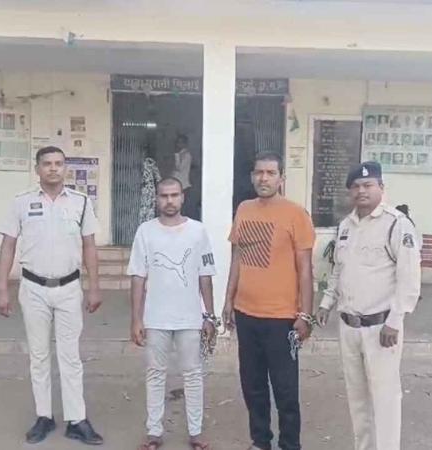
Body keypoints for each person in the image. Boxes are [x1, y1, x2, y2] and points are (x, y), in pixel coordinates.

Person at [0, 146, 105, 446]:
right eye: (47, 164)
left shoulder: (81, 202)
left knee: (70, 357)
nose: (53, 168)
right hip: (33, 288)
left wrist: (94, 286)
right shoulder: (21, 202)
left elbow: (90, 246)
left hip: (69, 288)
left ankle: (76, 420)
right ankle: (44, 416)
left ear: (65, 168)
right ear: (37, 169)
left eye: (58, 163)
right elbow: (8, 246)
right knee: (39, 356)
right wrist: (1, 287)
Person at [315, 161, 421, 450]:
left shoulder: (397, 224)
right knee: (357, 398)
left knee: (385, 398)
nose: (361, 191)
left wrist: (395, 321)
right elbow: (339, 269)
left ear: (381, 188)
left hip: (381, 328)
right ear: (350, 192)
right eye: (356, 186)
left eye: (368, 185)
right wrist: (326, 302)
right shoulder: (346, 226)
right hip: (349, 326)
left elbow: (409, 279)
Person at [222, 152, 316, 450]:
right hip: (246, 314)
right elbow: (237, 258)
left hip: (281, 318)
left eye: (271, 173)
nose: (264, 178)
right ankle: (260, 441)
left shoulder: (296, 214)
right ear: (252, 176)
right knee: (252, 386)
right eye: (259, 172)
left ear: (281, 178)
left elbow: (305, 269)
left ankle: (290, 445)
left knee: (285, 390)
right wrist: (228, 300)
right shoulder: (244, 209)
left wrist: (305, 314)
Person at [128, 177, 218, 450]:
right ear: (156, 199)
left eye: (174, 195)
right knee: (155, 374)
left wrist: (209, 316)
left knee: (193, 375)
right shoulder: (145, 231)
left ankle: (196, 433)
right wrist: (136, 318)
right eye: (164, 196)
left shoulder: (198, 231)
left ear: (182, 198)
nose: (169, 200)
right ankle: (154, 432)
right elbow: (138, 278)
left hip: (190, 318)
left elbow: (205, 277)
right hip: (155, 318)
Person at [171, 134, 194, 217]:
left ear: (184, 144)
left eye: (180, 142)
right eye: (177, 142)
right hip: (177, 184)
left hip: (183, 185)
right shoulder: (181, 154)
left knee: (181, 207)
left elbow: (179, 168)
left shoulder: (186, 155)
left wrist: (176, 155)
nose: (178, 144)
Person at [140, 144, 162, 223]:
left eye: (143, 151)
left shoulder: (150, 162)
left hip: (148, 189)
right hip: (138, 190)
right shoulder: (135, 162)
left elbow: (158, 178)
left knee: (148, 209)